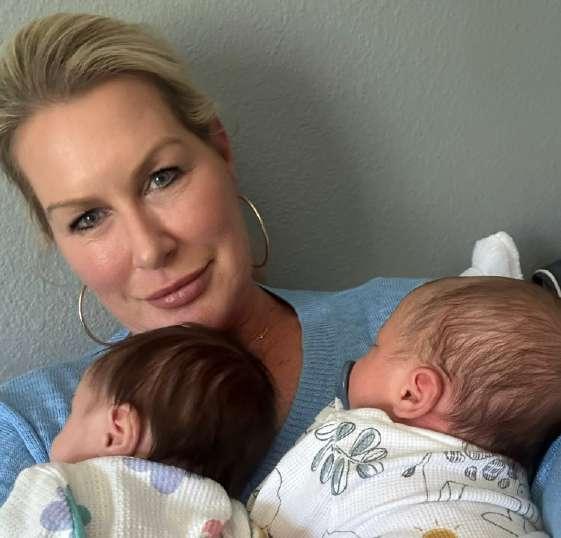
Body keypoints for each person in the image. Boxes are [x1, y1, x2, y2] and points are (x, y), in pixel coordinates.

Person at [0, 11, 422, 506]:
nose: (150, 248)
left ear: (221, 152)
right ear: (57, 239)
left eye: (162, 178)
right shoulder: (25, 432)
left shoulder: (421, 329)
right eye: (88, 218)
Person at [250, 276, 561, 536]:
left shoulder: (361, 444)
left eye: (375, 347)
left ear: (413, 394)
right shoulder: (504, 498)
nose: (360, 357)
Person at [0, 323, 274, 537]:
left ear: (115, 431)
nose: (62, 428)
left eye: (73, 414)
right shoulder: (230, 518)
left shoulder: (57, 488)